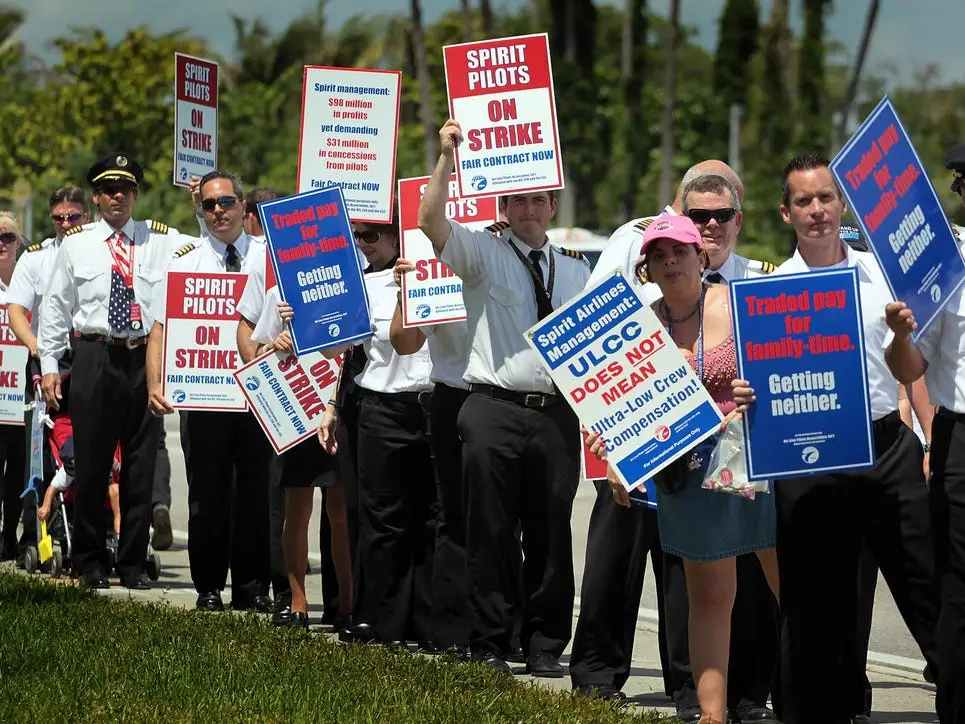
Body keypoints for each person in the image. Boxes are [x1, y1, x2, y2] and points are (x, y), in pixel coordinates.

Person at [732, 153, 940, 724]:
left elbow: (909, 370)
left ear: (842, 204)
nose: (817, 210)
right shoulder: (770, 293)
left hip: (886, 445)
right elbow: (763, 388)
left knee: (928, 582)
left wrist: (901, 340)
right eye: (804, 201)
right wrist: (751, 396)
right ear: (785, 212)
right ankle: (812, 710)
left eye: (826, 198)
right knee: (813, 604)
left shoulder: (880, 275)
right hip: (811, 461)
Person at [572, 167, 782, 724]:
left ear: (700, 257)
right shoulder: (634, 327)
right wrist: (613, 454)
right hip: (687, 478)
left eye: (680, 251)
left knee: (793, 589)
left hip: (753, 466)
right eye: (659, 253)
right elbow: (614, 410)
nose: (671, 260)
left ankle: (819, 695)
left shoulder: (742, 304)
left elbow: (782, 379)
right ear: (647, 264)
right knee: (709, 598)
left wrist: (752, 391)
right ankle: (711, 716)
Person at [418, 119, 591, 675]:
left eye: (538, 200)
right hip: (492, 406)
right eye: (518, 200)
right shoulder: (483, 254)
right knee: (488, 532)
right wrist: (447, 156)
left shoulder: (575, 269)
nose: (528, 210)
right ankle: (489, 642)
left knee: (550, 531)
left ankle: (543, 644)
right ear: (506, 203)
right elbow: (428, 220)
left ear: (553, 205)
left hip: (555, 415)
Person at [38, 153, 180, 589]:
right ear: (97, 197)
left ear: (136, 195)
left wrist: (198, 202)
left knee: (140, 465)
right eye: (110, 190)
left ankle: (134, 563)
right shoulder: (76, 243)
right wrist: (48, 366)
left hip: (143, 358)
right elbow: (56, 309)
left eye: (127, 189)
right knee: (93, 464)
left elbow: (208, 248)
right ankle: (90, 560)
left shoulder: (159, 240)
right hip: (94, 355)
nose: (119, 197)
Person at [146, 170, 273, 612]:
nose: (218, 211)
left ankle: (253, 587)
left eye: (226, 202)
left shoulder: (268, 257)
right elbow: (160, 330)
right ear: (200, 210)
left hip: (260, 399)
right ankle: (209, 586)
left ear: (243, 206)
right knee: (207, 493)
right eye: (209, 205)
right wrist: (155, 384)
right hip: (203, 398)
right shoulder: (184, 263)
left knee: (256, 492)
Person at [878, 142, 965, 724]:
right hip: (962, 439)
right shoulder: (946, 265)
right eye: (962, 185)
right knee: (958, 583)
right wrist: (901, 334)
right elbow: (912, 370)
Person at [322, 215, 436, 648]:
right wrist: (303, 319)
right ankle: (380, 620)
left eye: (371, 236)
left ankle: (427, 624)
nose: (363, 245)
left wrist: (419, 280)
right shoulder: (363, 284)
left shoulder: (439, 272)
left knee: (432, 519)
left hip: (432, 405)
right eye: (358, 237)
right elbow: (339, 348)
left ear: (396, 234)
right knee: (382, 520)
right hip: (383, 408)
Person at [388, 256, 472, 656]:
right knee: (452, 517)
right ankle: (452, 631)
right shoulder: (436, 260)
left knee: (507, 523)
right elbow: (406, 343)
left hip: (510, 399)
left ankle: (506, 633)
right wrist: (409, 292)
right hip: (454, 396)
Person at [5, 188, 89, 564]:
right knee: (36, 455)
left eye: (73, 216)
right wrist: (39, 348)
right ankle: (32, 535)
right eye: (59, 218)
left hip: (90, 359)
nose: (66, 224)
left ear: (86, 216)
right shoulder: (36, 259)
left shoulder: (102, 250)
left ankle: (94, 534)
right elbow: (17, 311)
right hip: (45, 362)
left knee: (94, 449)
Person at [0, 212, 27, 562]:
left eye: (7, 237)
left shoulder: (29, 279)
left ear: (19, 241)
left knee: (20, 468)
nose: (1, 244)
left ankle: (11, 535)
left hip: (23, 394)